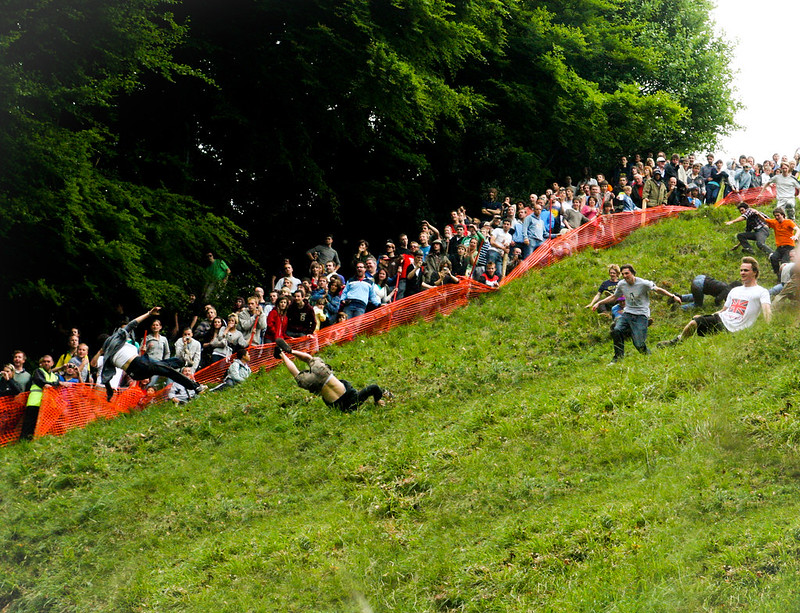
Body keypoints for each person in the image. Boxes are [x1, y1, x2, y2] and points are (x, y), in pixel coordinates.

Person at [99, 307, 207, 402]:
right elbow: (132, 323)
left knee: (165, 365)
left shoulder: (106, 358)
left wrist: (109, 394)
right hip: (139, 363)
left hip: (136, 374)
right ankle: (196, 387)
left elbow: (106, 378)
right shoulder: (115, 338)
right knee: (168, 371)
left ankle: (183, 362)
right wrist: (149, 314)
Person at [658, 257, 771, 347]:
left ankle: (678, 341)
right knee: (695, 320)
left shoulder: (761, 291)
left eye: (746, 270)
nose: (742, 273)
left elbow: (767, 311)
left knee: (694, 323)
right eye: (741, 270)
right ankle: (679, 340)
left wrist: (767, 330)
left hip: (736, 327)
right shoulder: (735, 290)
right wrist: (708, 316)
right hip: (723, 320)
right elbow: (724, 310)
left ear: (755, 272)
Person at [592, 264, 681, 363]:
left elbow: (658, 290)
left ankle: (649, 357)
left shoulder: (643, 283)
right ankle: (618, 358)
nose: (625, 276)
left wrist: (673, 296)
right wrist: (599, 302)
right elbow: (614, 297)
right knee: (617, 330)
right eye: (623, 274)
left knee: (638, 344)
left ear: (633, 273)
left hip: (641, 314)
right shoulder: (621, 284)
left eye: (627, 273)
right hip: (628, 312)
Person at [275, 339, 391, 412]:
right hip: (318, 387)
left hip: (325, 375)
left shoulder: (354, 399)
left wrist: (377, 399)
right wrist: (377, 401)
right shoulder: (342, 408)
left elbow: (374, 388)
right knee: (297, 374)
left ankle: (290, 351)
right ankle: (282, 355)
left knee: (310, 359)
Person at [20, 355, 59, 440]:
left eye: (48, 361)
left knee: (43, 424)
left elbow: (56, 384)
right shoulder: (38, 371)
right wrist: (52, 384)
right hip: (35, 402)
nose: (46, 363)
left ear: (52, 363)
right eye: (44, 361)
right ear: (41, 363)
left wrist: (52, 384)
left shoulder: (55, 376)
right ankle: (24, 441)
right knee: (29, 424)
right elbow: (40, 381)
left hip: (47, 403)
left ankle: (36, 440)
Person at [755, 207, 800, 278]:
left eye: (778, 215)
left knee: (784, 263)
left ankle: (786, 278)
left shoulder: (788, 222)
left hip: (789, 247)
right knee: (773, 258)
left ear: (783, 215)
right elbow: (764, 219)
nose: (776, 217)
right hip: (779, 248)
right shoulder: (774, 222)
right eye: (775, 216)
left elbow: (797, 229)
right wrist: (758, 214)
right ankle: (778, 274)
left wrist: (796, 236)